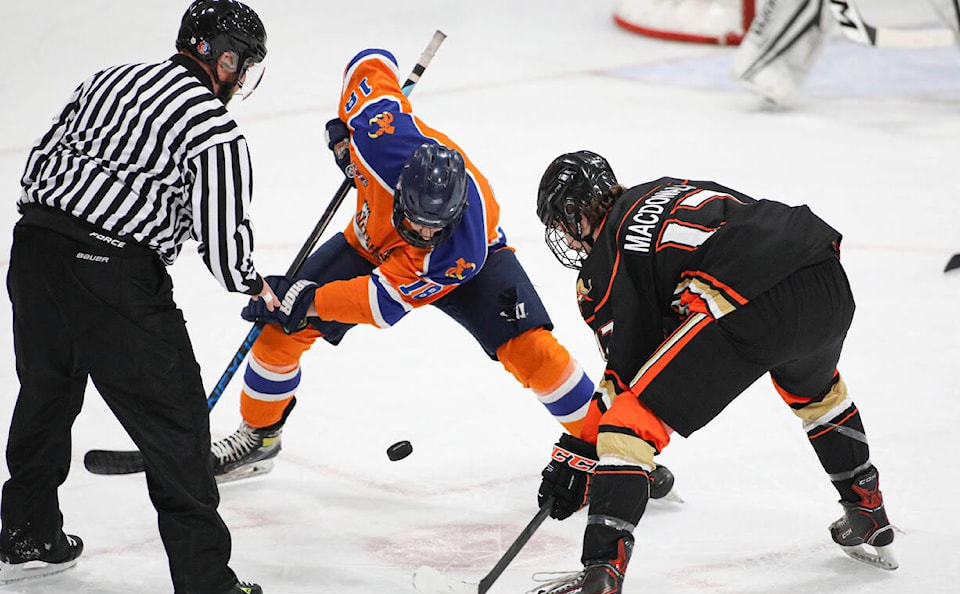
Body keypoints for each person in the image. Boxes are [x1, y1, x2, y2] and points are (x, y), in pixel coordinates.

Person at [213, 47, 677, 500]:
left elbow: (378, 303)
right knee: (277, 331)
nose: (423, 234)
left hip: (463, 271)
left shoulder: (460, 249)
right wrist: (345, 133)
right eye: (415, 220)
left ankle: (613, 450)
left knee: (532, 351)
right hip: (370, 244)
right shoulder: (379, 136)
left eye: (436, 227)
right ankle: (260, 436)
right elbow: (371, 61)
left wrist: (308, 300)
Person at [522, 150, 897, 594]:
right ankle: (867, 510)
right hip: (823, 275)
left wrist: (578, 452)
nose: (567, 239)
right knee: (817, 393)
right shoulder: (664, 188)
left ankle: (599, 580)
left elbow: (624, 376)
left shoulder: (607, 258)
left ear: (576, 214)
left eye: (563, 225)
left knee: (628, 426)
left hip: (747, 298)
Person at [0, 0, 274, 594]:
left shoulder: (107, 79)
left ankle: (26, 534)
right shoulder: (212, 127)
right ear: (221, 56)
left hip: (34, 250)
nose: (241, 80)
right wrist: (257, 286)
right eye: (241, 64)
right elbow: (223, 245)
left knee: (47, 392)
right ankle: (209, 589)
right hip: (113, 274)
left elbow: (39, 164)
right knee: (177, 423)